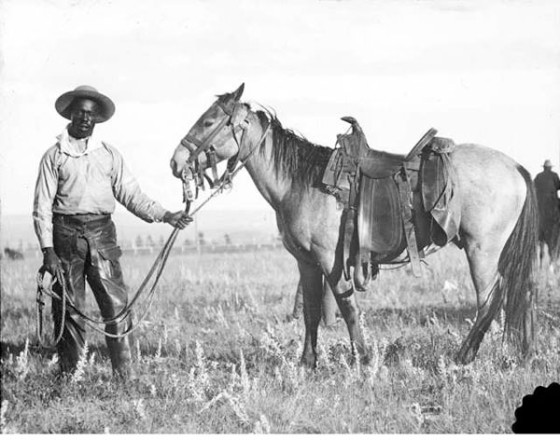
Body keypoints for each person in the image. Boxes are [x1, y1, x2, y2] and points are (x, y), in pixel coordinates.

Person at [33, 85, 191, 379]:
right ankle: (71, 378)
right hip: (64, 238)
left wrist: (166, 215)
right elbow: (41, 207)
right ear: (70, 114)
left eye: (90, 114)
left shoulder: (108, 155)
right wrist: (47, 251)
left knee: (116, 306)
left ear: (97, 119)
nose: (85, 118)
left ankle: (126, 377)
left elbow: (131, 194)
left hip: (102, 236)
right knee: (69, 310)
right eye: (80, 112)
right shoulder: (53, 156)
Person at [534, 159, 560, 260]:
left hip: (540, 206)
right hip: (552, 204)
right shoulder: (554, 175)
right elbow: (558, 186)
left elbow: (533, 187)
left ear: (544, 168)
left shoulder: (538, 176)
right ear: (550, 168)